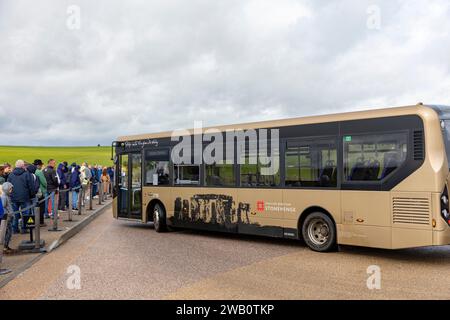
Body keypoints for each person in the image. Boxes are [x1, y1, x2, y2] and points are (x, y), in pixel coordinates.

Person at [7, 160, 33, 234]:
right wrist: (32, 195)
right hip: (25, 197)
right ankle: (24, 228)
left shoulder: (11, 175)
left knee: (15, 214)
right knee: (25, 213)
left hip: (14, 197)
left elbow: (8, 186)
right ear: (22, 166)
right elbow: (31, 186)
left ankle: (15, 229)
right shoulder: (27, 174)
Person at [33, 159, 47, 226]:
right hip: (40, 191)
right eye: (41, 165)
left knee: (35, 207)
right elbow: (44, 182)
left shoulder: (32, 171)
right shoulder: (39, 172)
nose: (41, 166)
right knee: (41, 207)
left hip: (34, 192)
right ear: (38, 165)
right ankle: (41, 222)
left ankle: (36, 221)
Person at [1, 182, 14, 253]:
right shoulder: (4, 197)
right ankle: (4, 246)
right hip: (7, 217)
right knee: (8, 232)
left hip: (9, 216)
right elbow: (3, 207)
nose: (11, 190)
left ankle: (6, 245)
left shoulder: (7, 196)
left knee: (9, 232)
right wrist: (8, 213)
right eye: (10, 189)